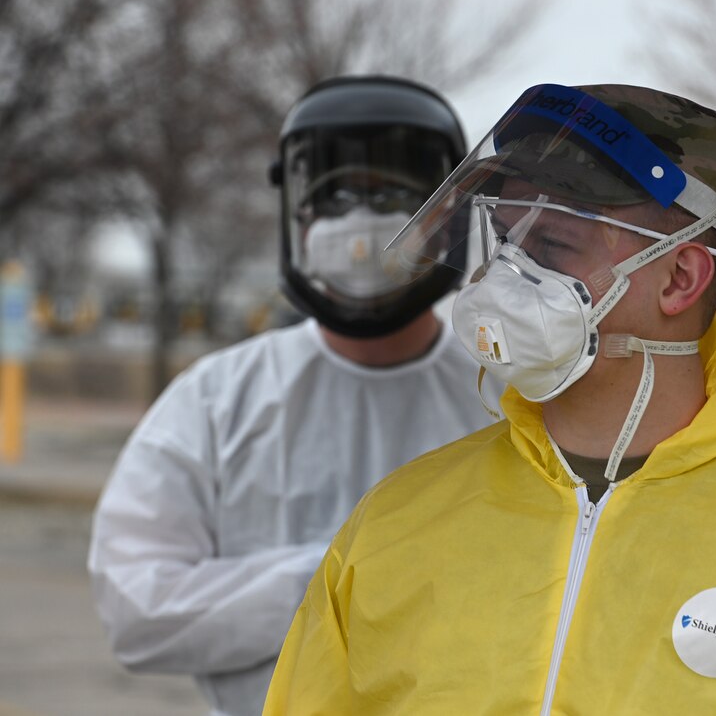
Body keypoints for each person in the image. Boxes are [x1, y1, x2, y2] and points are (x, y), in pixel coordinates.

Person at [263, 83, 716, 714]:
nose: (507, 275)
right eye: (506, 237)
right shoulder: (394, 526)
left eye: (553, 242)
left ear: (680, 276)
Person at [87, 75, 501, 716]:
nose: (361, 223)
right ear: (297, 215)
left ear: (446, 217)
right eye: (332, 196)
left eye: (393, 194)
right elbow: (136, 610)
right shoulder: (217, 401)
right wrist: (338, 577)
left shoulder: (509, 398)